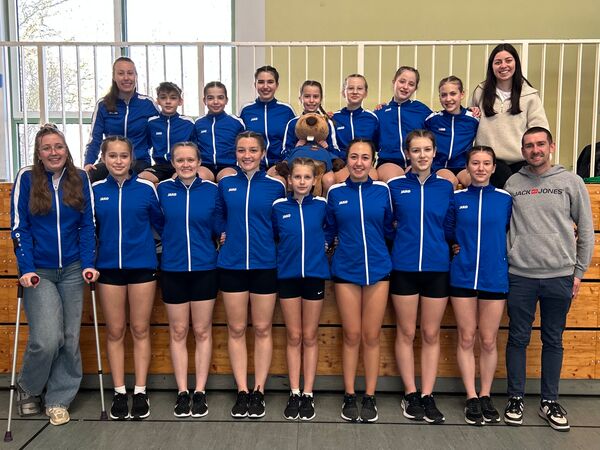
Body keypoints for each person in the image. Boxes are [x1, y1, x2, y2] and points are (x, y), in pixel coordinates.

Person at [502, 127, 594, 432]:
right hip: (520, 275)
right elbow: (504, 227)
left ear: (551, 147)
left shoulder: (571, 181)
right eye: (529, 145)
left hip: (559, 276)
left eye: (540, 144)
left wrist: (578, 272)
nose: (535, 150)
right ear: (523, 151)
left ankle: (549, 401)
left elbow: (586, 229)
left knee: (553, 339)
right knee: (518, 338)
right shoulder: (513, 183)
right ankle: (515, 398)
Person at [10, 124, 98, 426]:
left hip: (73, 268)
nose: (53, 152)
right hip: (39, 270)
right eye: (47, 148)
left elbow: (87, 225)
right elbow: (20, 227)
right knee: (48, 338)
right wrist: (26, 268)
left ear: (66, 149)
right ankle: (29, 386)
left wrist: (88, 262)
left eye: (58, 146)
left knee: (70, 338)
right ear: (39, 152)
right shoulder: (27, 178)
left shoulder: (80, 178)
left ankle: (59, 399)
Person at [215, 131, 286, 419]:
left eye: (253, 150)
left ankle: (259, 390)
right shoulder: (225, 184)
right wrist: (221, 232)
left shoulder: (276, 186)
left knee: (263, 329)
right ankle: (242, 390)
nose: (247, 155)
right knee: (236, 329)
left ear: (262, 153)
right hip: (232, 265)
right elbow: (218, 215)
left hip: (264, 265)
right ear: (235, 153)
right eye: (242, 150)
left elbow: (280, 224)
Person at [92, 136, 164, 421]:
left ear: (132, 159)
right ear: (104, 159)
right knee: (115, 331)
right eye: (112, 156)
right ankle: (120, 391)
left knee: (140, 329)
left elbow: (161, 225)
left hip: (142, 267)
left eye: (123, 156)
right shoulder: (96, 190)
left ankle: (140, 391)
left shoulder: (146, 189)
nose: (118, 161)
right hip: (108, 269)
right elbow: (89, 229)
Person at [387, 129, 454, 424]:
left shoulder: (446, 187)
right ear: (407, 154)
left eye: (427, 149)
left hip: (437, 269)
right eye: (416, 150)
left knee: (430, 333)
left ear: (435, 152)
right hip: (404, 268)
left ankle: (427, 394)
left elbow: (450, 226)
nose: (422, 155)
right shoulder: (395, 186)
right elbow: (388, 224)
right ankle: (410, 393)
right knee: (406, 332)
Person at [325, 138, 394, 423]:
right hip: (346, 271)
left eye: (365, 157)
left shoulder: (383, 190)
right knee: (352, 335)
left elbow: (389, 228)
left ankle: (370, 395)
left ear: (373, 161)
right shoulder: (335, 192)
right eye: (354, 157)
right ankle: (350, 394)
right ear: (347, 159)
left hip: (378, 270)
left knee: (371, 336)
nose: (359, 163)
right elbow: (329, 230)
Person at [445, 146, 512, 425]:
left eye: (486, 163)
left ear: (494, 168)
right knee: (466, 337)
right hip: (462, 276)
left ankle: (485, 394)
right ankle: (471, 396)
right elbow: (448, 231)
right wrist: (455, 246)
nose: (481, 168)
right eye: (475, 163)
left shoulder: (506, 199)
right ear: (468, 167)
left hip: (494, 277)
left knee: (488, 339)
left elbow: (512, 231)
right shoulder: (457, 198)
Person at [157, 142, 218, 418]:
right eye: (180, 160)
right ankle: (183, 391)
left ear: (199, 162)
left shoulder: (212, 191)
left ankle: (200, 391)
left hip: (205, 268)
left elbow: (219, 225)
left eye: (190, 160)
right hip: (173, 269)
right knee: (179, 331)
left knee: (202, 331)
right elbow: (158, 223)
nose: (185, 165)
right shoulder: (162, 191)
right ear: (173, 162)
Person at [272, 157, 329, 421]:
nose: (302, 182)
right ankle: (294, 391)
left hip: (314, 276)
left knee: (310, 335)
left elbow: (331, 229)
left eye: (307, 177)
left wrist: (327, 242)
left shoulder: (322, 206)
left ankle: (308, 393)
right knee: (294, 336)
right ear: (289, 180)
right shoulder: (278, 207)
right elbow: (274, 235)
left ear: (315, 180)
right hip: (288, 277)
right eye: (297, 177)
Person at [469, 43, 549, 188]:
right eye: (498, 62)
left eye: (508, 60)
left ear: (516, 63)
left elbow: (540, 131)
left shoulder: (530, 95)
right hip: (489, 162)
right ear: (491, 66)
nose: (503, 66)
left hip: (521, 162)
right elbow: (469, 123)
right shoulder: (480, 92)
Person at [84, 57, 159, 182]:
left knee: (132, 178)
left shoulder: (148, 104)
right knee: (89, 176)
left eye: (130, 73)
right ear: (114, 77)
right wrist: (88, 163)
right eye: (121, 73)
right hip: (110, 162)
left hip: (139, 162)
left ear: (135, 76)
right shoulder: (103, 105)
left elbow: (160, 133)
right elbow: (95, 139)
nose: (126, 78)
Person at [375, 66, 432, 182]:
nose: (405, 87)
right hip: (389, 162)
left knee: (417, 178)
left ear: (415, 88)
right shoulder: (380, 113)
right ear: (394, 82)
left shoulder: (422, 110)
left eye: (411, 84)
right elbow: (373, 143)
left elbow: (444, 120)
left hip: (417, 160)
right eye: (402, 81)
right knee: (396, 181)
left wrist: (468, 110)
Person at [425, 76, 479, 188]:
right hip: (440, 167)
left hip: (463, 167)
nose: (448, 99)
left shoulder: (473, 119)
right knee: (450, 182)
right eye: (444, 95)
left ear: (462, 94)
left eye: (453, 94)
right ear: (439, 97)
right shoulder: (433, 119)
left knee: (476, 182)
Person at [239, 66, 296, 168]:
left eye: (270, 82)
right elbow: (240, 141)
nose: (265, 86)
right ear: (255, 85)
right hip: (252, 167)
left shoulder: (286, 110)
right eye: (261, 82)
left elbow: (293, 140)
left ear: (277, 85)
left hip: (280, 166)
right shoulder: (246, 110)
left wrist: (284, 163)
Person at [139, 82, 196, 184]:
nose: (168, 102)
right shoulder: (152, 123)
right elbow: (145, 145)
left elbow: (195, 148)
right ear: (158, 101)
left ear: (180, 101)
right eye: (163, 98)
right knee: (141, 179)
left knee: (175, 181)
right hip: (160, 166)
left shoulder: (188, 123)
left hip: (182, 165)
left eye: (173, 98)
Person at [332, 74, 379, 183]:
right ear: (343, 92)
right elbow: (331, 145)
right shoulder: (333, 118)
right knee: (340, 179)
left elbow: (376, 145)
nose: (355, 92)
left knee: (373, 178)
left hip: (364, 165)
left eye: (359, 88)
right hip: (341, 164)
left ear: (365, 93)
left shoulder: (372, 118)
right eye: (350, 88)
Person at [195, 81, 245, 182]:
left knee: (227, 179)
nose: (215, 102)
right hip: (205, 166)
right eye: (210, 98)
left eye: (220, 97)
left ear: (226, 100)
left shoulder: (236, 122)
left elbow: (244, 147)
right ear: (204, 100)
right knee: (198, 178)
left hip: (229, 166)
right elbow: (194, 147)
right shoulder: (198, 123)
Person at [281, 80, 341, 159]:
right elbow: (284, 153)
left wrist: (327, 147)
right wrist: (296, 148)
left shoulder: (327, 123)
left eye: (315, 97)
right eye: (307, 96)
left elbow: (336, 153)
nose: (311, 101)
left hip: (322, 164)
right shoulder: (293, 123)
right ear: (300, 98)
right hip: (299, 164)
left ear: (321, 99)